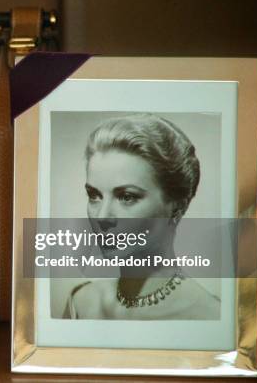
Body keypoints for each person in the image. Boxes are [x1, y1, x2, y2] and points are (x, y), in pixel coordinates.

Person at [63, 113, 220, 320]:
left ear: (177, 207)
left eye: (127, 197)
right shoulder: (80, 303)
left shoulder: (209, 316)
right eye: (94, 195)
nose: (102, 217)